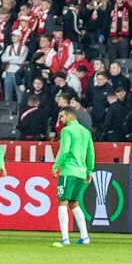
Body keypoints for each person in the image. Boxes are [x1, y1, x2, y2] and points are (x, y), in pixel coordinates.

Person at [52, 105, 96, 247]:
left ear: (70, 116)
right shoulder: (85, 132)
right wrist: (89, 171)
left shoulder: (67, 130)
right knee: (74, 202)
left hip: (69, 171)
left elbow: (64, 150)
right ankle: (84, 236)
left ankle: (65, 238)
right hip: (81, 173)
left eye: (62, 116)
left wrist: (55, 166)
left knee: (63, 202)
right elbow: (91, 153)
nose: (61, 119)